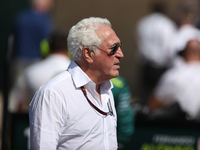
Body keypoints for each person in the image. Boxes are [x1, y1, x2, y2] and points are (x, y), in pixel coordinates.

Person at [29, 17, 124, 150]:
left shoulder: (106, 89)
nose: (120, 54)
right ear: (88, 54)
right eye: (114, 48)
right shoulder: (54, 93)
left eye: (120, 46)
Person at [8, 30, 71, 112]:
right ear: (70, 50)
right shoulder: (80, 71)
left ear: (45, 48)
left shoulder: (30, 71)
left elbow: (17, 105)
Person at [136, 0, 177, 104]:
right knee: (160, 98)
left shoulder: (143, 22)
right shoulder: (166, 24)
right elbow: (169, 48)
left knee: (145, 95)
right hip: (160, 67)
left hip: (146, 65)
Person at [148, 39, 200, 121]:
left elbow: (152, 106)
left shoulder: (173, 75)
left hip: (176, 128)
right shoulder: (174, 75)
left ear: (184, 54)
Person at [11, 0, 54, 86]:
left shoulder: (21, 17)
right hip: (37, 60)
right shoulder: (44, 21)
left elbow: (13, 38)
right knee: (34, 87)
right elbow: (47, 42)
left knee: (17, 87)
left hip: (20, 58)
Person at [110, 76, 134, 150]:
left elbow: (124, 114)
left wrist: (120, 141)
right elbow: (124, 116)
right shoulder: (119, 85)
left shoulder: (119, 85)